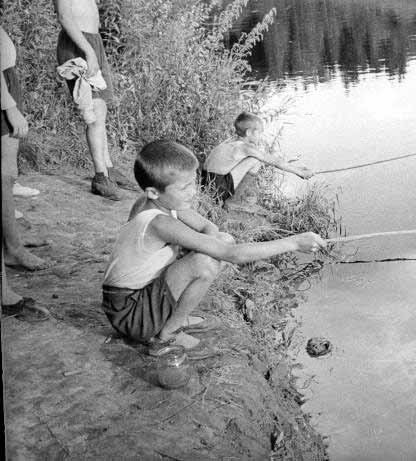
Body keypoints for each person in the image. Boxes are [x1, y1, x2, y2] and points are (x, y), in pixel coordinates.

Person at [102, 140, 326, 356]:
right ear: (153, 192)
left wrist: (209, 245)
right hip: (129, 313)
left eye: (193, 182)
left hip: (142, 294)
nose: (193, 192)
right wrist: (294, 242)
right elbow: (232, 256)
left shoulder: (163, 202)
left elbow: (208, 227)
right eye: (184, 187)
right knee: (205, 262)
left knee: (222, 240)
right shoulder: (159, 222)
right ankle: (165, 335)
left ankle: (169, 315)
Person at [48, 0, 137, 201]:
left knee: (101, 110)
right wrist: (88, 51)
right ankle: (100, 177)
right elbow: (65, 16)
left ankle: (108, 168)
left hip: (91, 42)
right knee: (94, 111)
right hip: (79, 44)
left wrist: (93, 47)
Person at [1, 26, 50, 273]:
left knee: (6, 174)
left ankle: (11, 238)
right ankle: (12, 248)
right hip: (2, 90)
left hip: (6, 80)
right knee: (4, 174)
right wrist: (9, 106)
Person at [202, 112, 314, 207]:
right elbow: (273, 161)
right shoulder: (245, 148)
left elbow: (270, 160)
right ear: (249, 133)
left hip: (207, 185)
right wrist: (299, 172)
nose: (260, 136)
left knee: (255, 159)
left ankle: (233, 196)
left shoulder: (230, 142)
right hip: (217, 190)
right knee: (254, 160)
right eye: (259, 133)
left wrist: (291, 163)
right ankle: (235, 201)